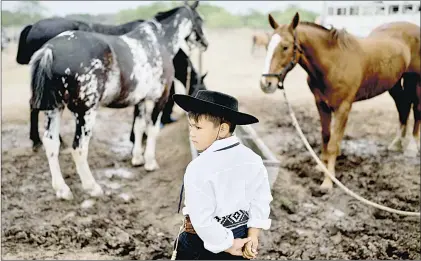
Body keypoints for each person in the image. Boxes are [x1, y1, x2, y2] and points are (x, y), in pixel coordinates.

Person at [172, 90, 273, 260]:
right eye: (190, 126)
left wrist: (228, 244)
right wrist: (253, 235)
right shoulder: (253, 159)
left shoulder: (198, 167)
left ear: (223, 129)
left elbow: (202, 220)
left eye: (198, 127)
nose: (192, 133)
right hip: (242, 238)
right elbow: (260, 200)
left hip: (202, 243)